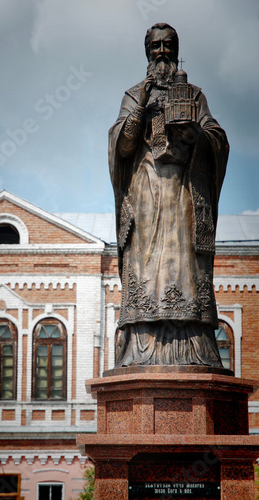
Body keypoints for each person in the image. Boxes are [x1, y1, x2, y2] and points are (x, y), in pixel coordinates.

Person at [109, 23, 229, 368]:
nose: (161, 52)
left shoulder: (193, 95)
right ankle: (142, 342)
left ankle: (191, 344)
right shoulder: (134, 95)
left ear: (176, 51)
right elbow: (122, 146)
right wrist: (140, 107)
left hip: (182, 192)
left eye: (167, 45)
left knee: (184, 264)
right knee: (146, 267)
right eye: (155, 46)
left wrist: (197, 136)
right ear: (147, 52)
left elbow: (216, 136)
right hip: (146, 192)